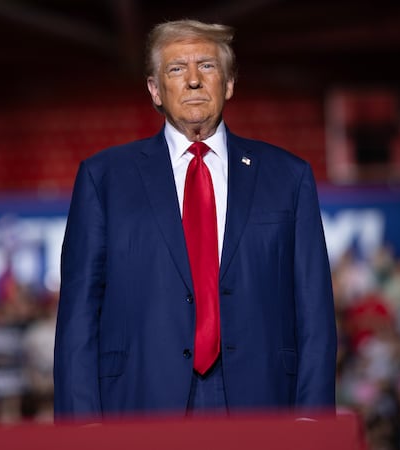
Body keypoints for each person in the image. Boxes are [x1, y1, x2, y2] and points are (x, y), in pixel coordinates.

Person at [53, 19, 336, 421]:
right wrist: (80, 426)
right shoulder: (104, 178)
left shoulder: (288, 176)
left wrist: (313, 421)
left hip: (262, 400)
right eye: (176, 69)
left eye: (206, 66)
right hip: (140, 400)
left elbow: (315, 311)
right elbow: (78, 313)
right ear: (155, 89)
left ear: (229, 83)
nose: (192, 80)